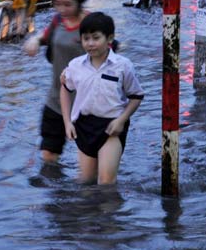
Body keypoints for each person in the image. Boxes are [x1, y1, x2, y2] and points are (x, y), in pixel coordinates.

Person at [60, 12, 144, 185]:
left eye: (96, 38)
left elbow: (136, 96)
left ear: (109, 38)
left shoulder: (123, 66)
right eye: (86, 38)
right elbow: (65, 89)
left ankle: (110, 211)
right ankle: (89, 212)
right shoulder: (75, 66)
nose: (90, 43)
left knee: (106, 182)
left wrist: (122, 120)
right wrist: (67, 122)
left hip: (111, 127)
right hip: (83, 126)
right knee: (86, 181)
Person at [23, 0, 88, 164]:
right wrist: (34, 41)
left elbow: (108, 55)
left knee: (87, 163)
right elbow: (43, 38)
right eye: (57, 4)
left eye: (68, 5)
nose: (62, 9)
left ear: (80, 1)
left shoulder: (91, 24)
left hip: (86, 104)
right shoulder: (58, 21)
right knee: (48, 156)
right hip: (56, 101)